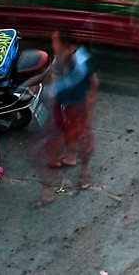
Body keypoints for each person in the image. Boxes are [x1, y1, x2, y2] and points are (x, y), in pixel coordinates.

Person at [45, 32, 99, 190]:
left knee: (81, 136)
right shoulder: (61, 57)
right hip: (63, 101)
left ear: (67, 46)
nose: (54, 46)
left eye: (56, 43)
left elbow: (94, 82)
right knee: (66, 130)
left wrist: (89, 104)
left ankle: (84, 174)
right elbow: (55, 74)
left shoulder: (81, 60)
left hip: (76, 103)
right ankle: (70, 156)